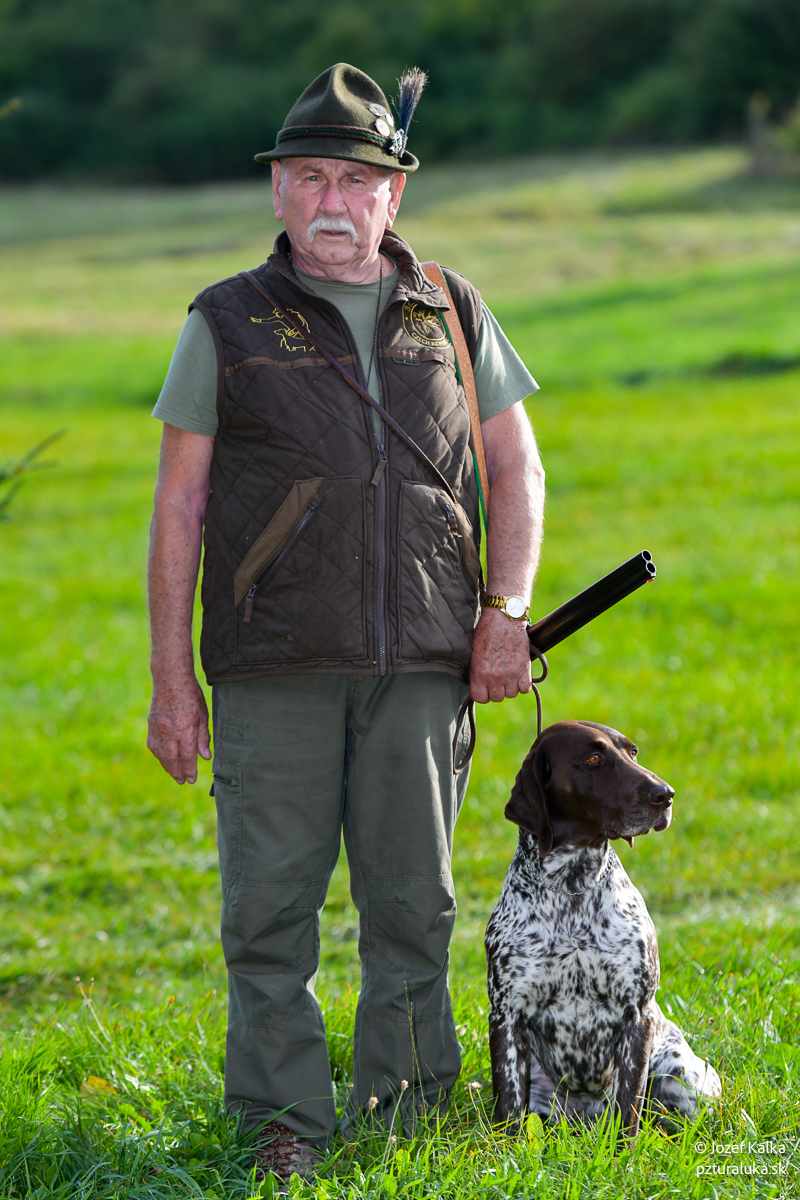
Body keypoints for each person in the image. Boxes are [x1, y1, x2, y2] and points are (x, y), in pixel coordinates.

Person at [146, 62, 545, 1182]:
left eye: (356, 180)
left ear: (392, 195)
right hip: (271, 665)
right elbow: (179, 506)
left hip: (425, 663)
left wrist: (505, 611)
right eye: (310, 177)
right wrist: (172, 680)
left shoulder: (452, 309)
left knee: (414, 907)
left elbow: (516, 469)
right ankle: (282, 1121)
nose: (333, 200)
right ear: (278, 190)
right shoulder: (225, 320)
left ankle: (405, 1117)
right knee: (269, 914)